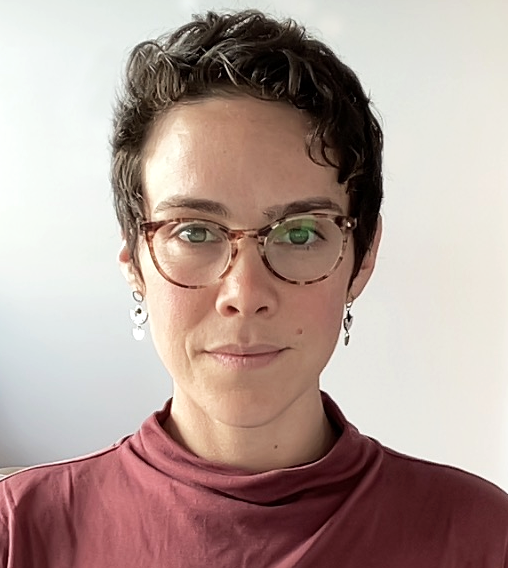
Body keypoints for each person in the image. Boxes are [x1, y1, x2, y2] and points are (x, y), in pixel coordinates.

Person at [1, 9, 507, 567]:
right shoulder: (18, 531)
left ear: (362, 259)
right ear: (134, 260)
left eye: (300, 232)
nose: (244, 293)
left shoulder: (483, 537)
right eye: (194, 231)